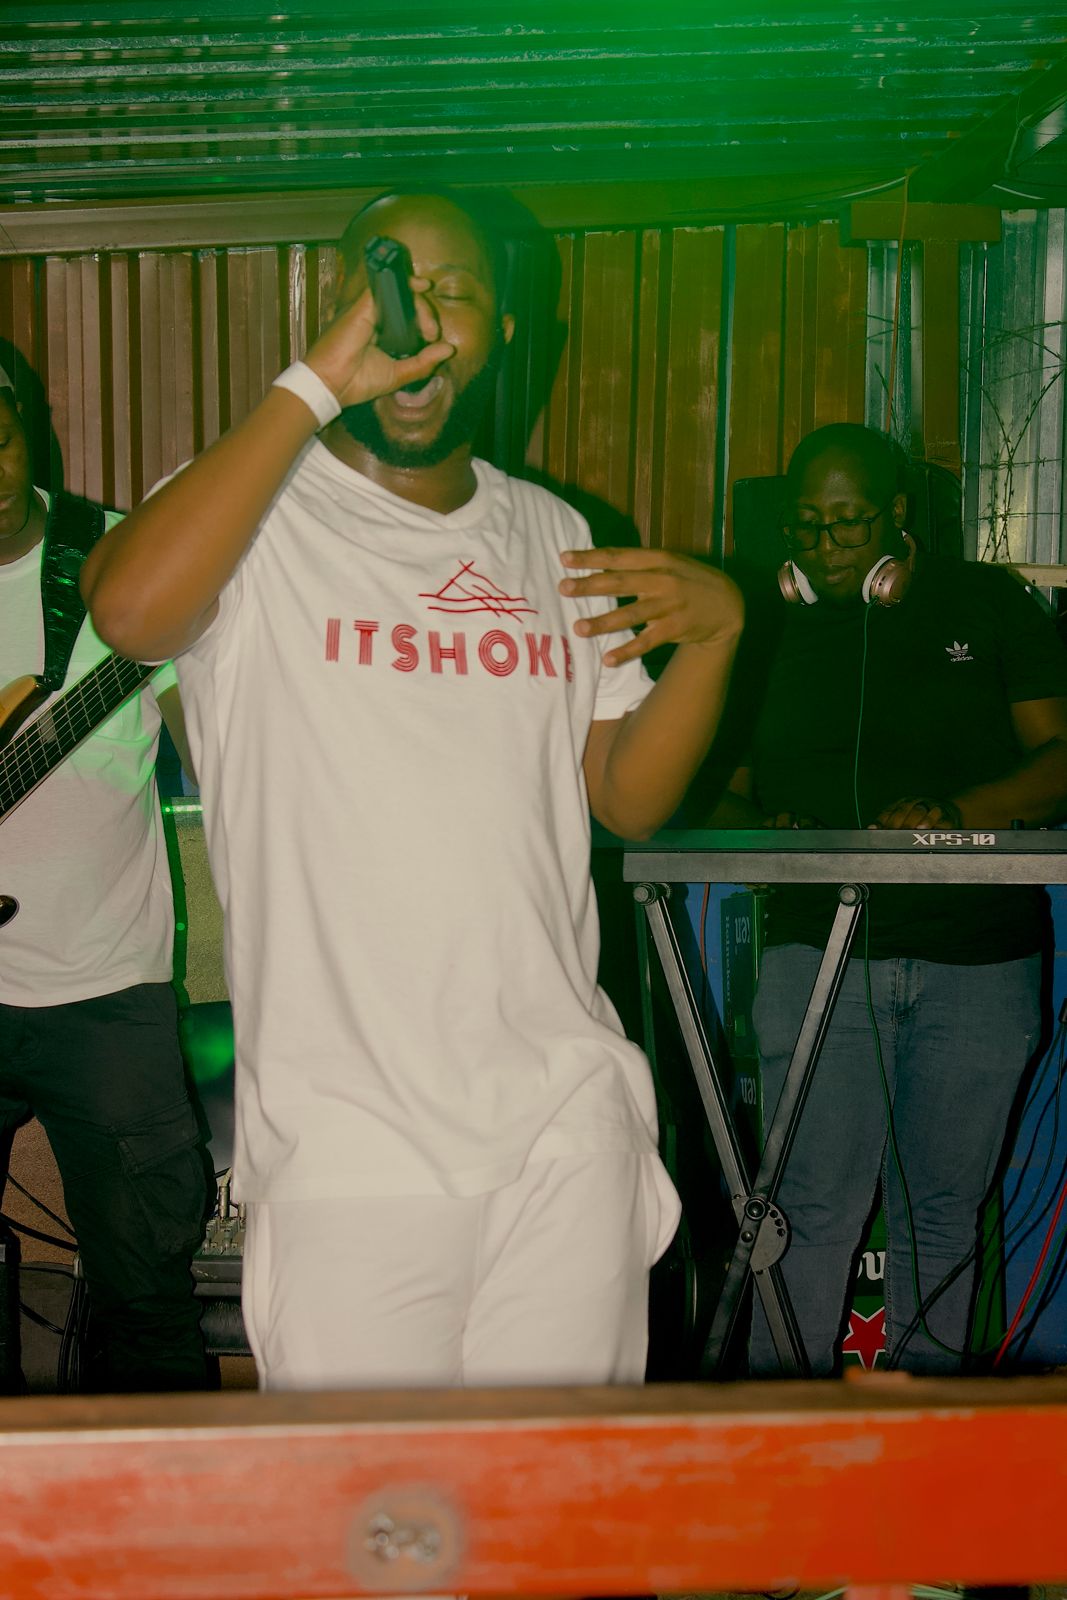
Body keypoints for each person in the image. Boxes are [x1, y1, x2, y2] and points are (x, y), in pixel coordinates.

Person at [81, 187, 745, 1392]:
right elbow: (129, 613)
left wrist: (712, 644)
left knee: (552, 1499)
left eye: (457, 292)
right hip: (351, 1140)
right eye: (389, 287)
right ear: (336, 312)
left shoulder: (551, 532)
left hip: (566, 1120)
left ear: (501, 331)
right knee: (376, 1502)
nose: (422, 319)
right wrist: (309, 388)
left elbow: (623, 799)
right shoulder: (252, 510)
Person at [710, 421, 1067, 1377]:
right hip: (815, 952)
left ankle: (926, 1444)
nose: (825, 547)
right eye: (806, 526)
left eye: (848, 523)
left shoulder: (985, 602)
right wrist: (765, 827)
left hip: (979, 959)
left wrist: (954, 814)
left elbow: (1058, 759)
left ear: (897, 515)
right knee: (805, 1213)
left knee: (941, 1218)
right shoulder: (759, 624)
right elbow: (709, 785)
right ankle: (784, 1441)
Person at [0, 364, 211, 1391]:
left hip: (106, 990)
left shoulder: (127, 560)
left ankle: (167, 1489)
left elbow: (216, 754)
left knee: (148, 1295)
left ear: (31, 428)